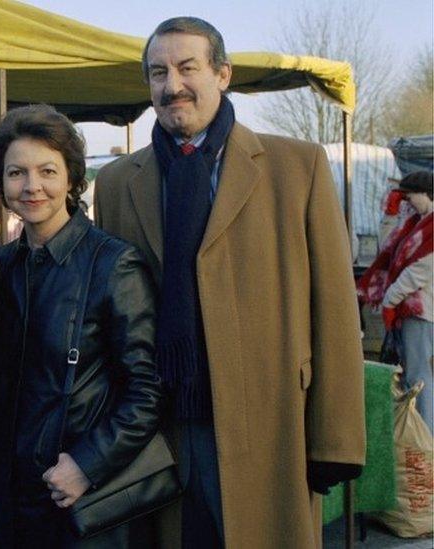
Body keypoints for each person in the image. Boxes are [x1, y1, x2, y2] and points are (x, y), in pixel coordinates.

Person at [93, 16, 366, 548]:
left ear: (223, 74)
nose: (172, 85)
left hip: (271, 425)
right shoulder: (119, 182)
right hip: (157, 429)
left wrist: (335, 439)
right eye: (157, 72)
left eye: (187, 67)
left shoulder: (297, 166)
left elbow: (335, 310)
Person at [0, 105, 162, 548]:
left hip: (84, 499)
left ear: (72, 178)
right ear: (1, 185)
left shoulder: (114, 264)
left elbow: (146, 391)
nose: (32, 186)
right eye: (16, 173)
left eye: (47, 171)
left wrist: (87, 465)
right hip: (12, 498)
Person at [358, 171, 433, 428]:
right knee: (415, 374)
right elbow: (388, 247)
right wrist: (390, 216)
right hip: (410, 310)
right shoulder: (416, 222)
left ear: (426, 194)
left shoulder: (429, 227)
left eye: (410, 195)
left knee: (419, 376)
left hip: (422, 311)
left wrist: (390, 298)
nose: (406, 201)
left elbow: (421, 269)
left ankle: (425, 435)